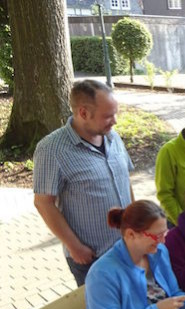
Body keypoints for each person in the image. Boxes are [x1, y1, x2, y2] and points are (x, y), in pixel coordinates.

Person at [33, 79, 134, 289]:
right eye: (107, 116)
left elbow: (125, 182)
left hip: (126, 246)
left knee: (129, 307)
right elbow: (44, 203)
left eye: (115, 113)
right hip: (91, 257)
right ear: (83, 113)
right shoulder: (52, 149)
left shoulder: (113, 138)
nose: (114, 121)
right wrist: (75, 247)